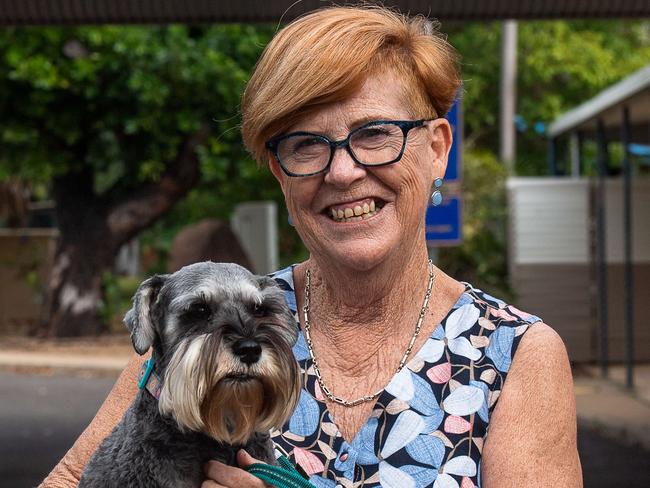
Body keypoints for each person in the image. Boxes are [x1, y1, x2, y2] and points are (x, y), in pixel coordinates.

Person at [42, 5, 582, 488]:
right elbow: (72, 479)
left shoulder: (512, 355)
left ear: (437, 150)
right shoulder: (214, 315)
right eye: (306, 145)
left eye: (376, 133)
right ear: (280, 172)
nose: (343, 172)